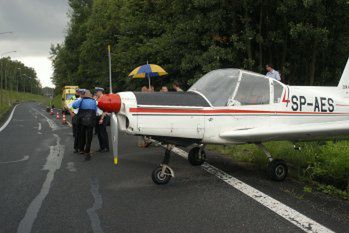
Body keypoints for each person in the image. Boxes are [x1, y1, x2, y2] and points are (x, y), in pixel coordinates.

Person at [73, 90, 97, 161]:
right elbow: (96, 111)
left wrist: (81, 98)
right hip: (91, 121)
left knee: (81, 135)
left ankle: (81, 149)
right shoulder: (94, 101)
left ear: (84, 94)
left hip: (82, 121)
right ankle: (87, 150)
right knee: (89, 137)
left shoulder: (81, 100)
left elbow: (74, 106)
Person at [68, 89, 84, 153]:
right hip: (76, 116)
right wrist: (72, 114)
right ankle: (76, 148)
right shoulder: (73, 98)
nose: (78, 93)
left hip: (82, 117)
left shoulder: (84, 99)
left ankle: (81, 148)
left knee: (82, 133)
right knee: (77, 133)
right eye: (77, 92)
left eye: (80, 92)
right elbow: (68, 106)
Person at [95, 87, 109, 153]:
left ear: (100, 91)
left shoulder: (104, 98)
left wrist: (102, 119)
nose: (96, 93)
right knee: (99, 133)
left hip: (102, 116)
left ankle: (106, 147)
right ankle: (101, 147)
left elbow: (106, 109)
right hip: (97, 116)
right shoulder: (97, 98)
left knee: (103, 133)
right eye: (96, 92)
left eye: (97, 92)